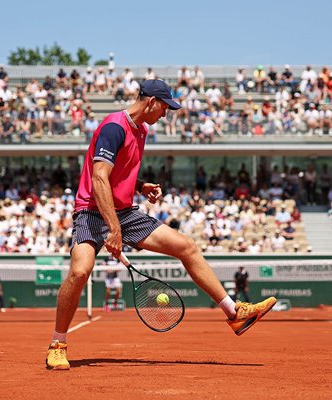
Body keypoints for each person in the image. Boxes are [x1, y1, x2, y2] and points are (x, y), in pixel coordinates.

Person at [46, 79, 277, 370]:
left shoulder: (141, 130)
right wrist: (113, 229)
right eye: (165, 108)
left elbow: (119, 172)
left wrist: (140, 186)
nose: (165, 115)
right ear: (152, 102)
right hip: (91, 211)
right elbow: (99, 178)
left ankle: (234, 312)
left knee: (187, 247)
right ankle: (57, 343)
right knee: (80, 271)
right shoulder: (113, 127)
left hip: (125, 211)